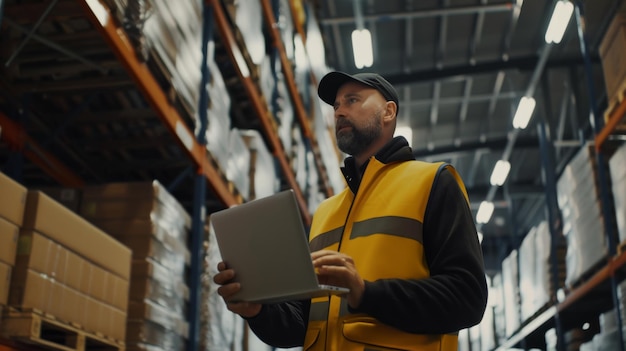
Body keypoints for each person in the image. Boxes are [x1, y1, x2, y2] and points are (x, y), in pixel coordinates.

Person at [213, 71, 488, 350]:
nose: (340, 112)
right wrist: (257, 311)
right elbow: (303, 326)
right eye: (336, 106)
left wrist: (365, 293)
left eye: (352, 100)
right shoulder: (326, 213)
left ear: (388, 112)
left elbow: (468, 299)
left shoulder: (433, 182)